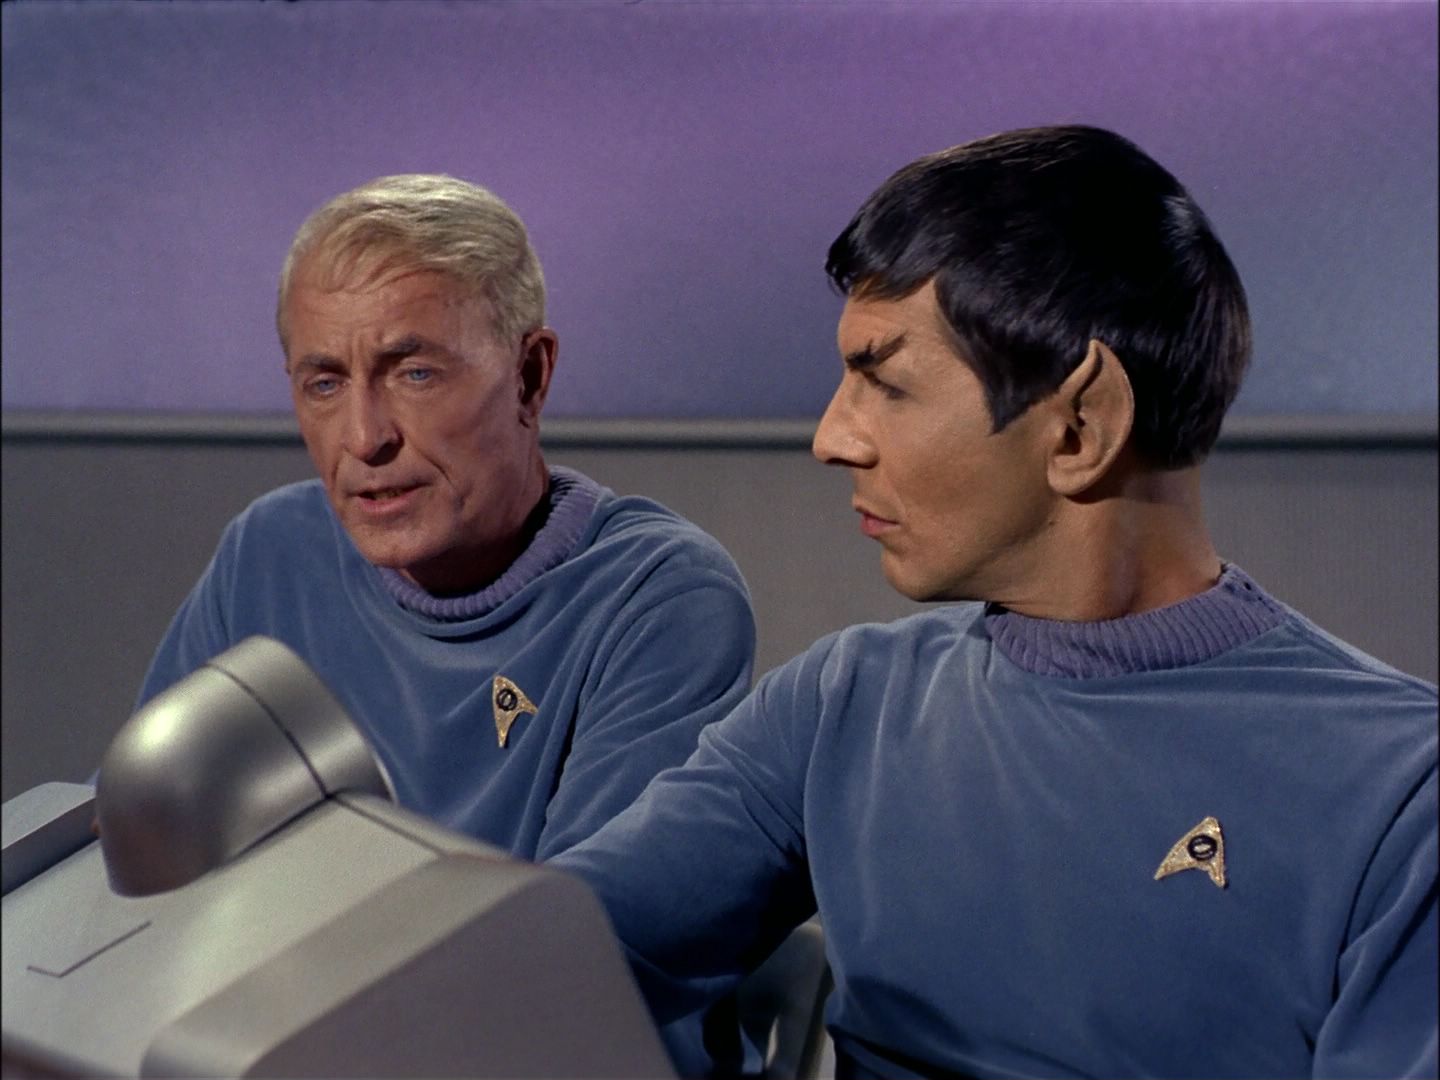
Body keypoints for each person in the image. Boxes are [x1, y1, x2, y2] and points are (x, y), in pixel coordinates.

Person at [552, 126, 1438, 1079]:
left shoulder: (1403, 795)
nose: (832, 438)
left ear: (1081, 425)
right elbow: (541, 956)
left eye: (886, 385)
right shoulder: (843, 704)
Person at [132, 176, 757, 1066]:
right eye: (323, 383)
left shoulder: (658, 597)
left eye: (414, 373)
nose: (365, 438)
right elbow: (155, 873)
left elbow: (570, 973)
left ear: (530, 376)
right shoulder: (269, 552)